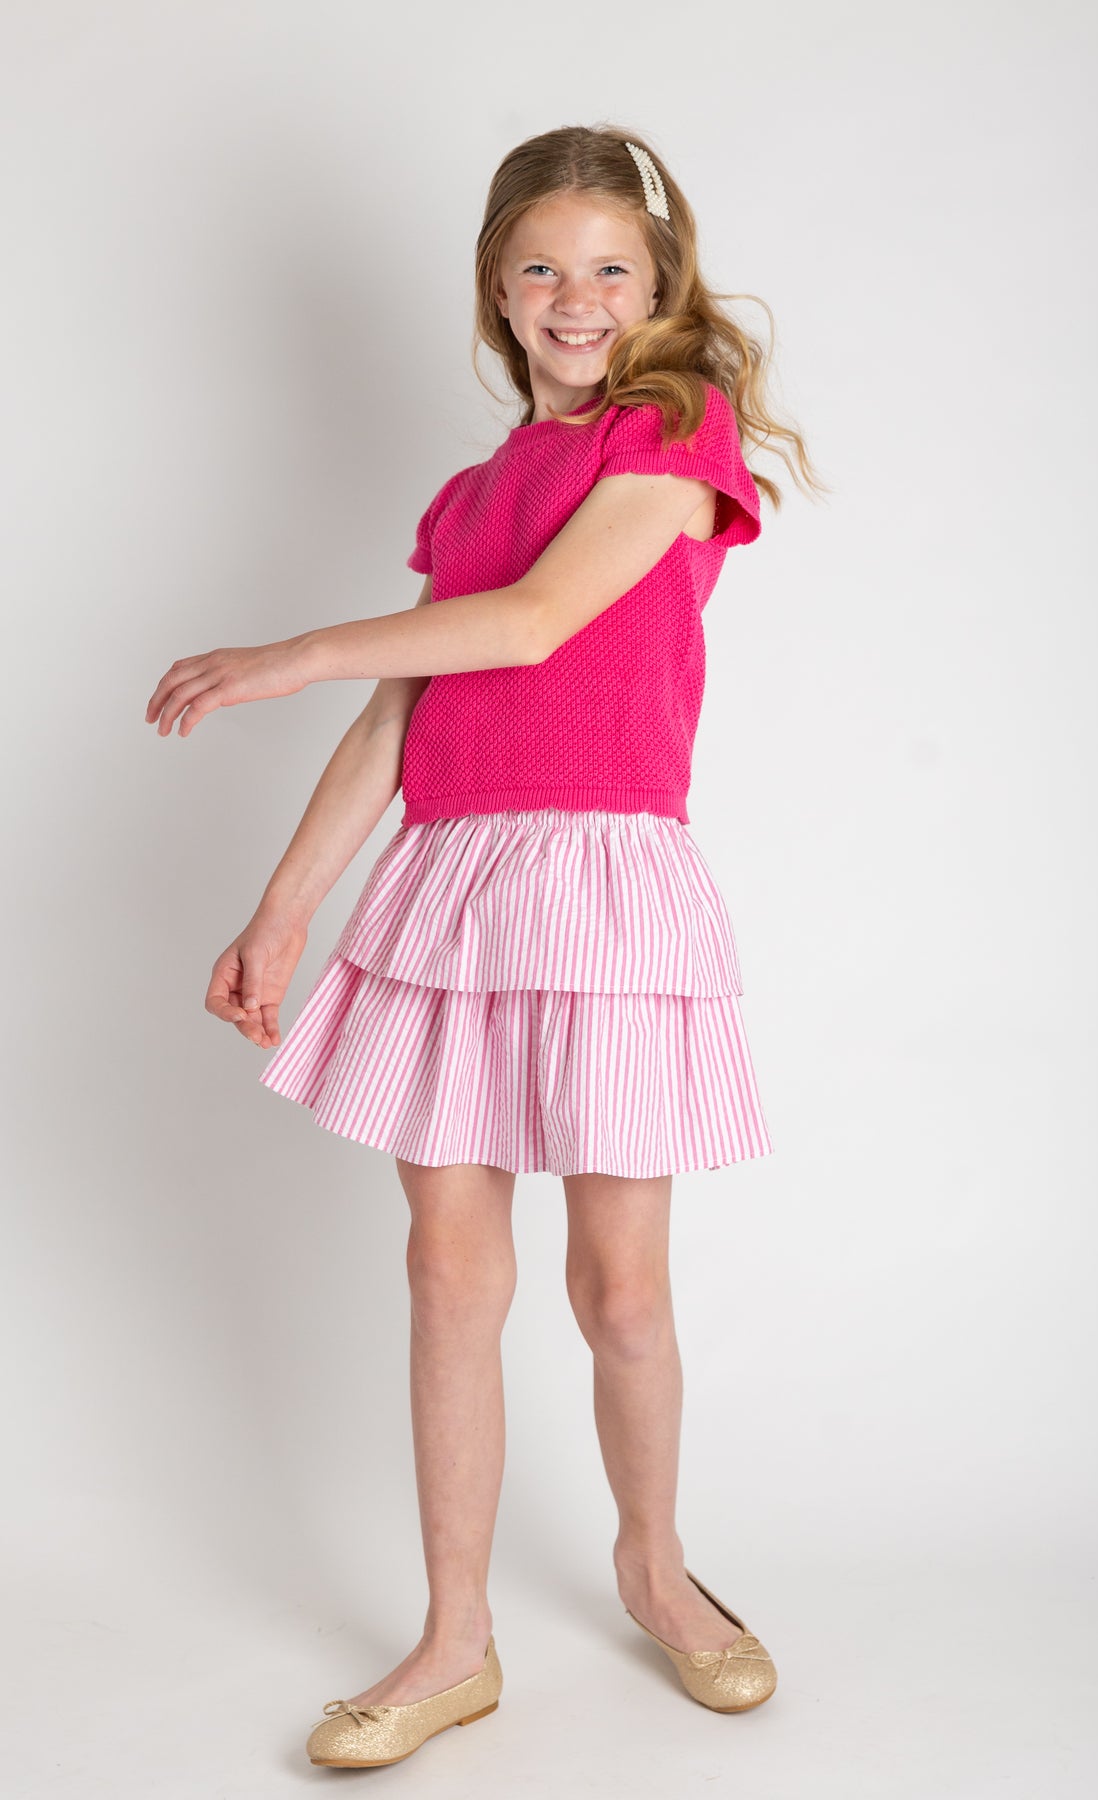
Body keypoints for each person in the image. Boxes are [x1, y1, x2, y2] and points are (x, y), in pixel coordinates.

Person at [145, 123, 826, 1772]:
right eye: (540, 268)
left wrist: (286, 649)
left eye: (608, 268)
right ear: (497, 291)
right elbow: (408, 711)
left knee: (620, 1289)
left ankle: (654, 1568)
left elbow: (530, 625)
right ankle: (455, 1639)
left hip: (603, 881)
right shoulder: (468, 495)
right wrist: (284, 908)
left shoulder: (674, 431)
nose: (574, 298)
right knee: (447, 1270)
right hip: (452, 883)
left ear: (657, 284)